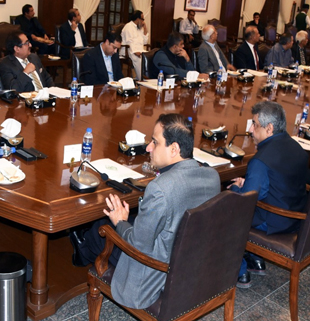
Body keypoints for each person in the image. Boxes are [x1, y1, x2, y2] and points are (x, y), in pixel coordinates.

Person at [69, 114, 221, 309]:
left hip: (154, 274)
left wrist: (120, 221)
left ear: (174, 149)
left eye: (155, 142)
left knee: (102, 225)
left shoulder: (161, 188)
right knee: (129, 217)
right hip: (190, 265)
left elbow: (138, 245)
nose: (148, 147)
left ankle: (81, 250)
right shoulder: (212, 176)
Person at [228, 101, 308, 287]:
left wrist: (235, 189)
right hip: (295, 216)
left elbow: (247, 200)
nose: (250, 129)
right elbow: (278, 181)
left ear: (269, 128)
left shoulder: (260, 161)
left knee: (228, 207)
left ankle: (239, 272)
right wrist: (250, 183)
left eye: (254, 124)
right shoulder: (296, 147)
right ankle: (256, 259)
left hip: (274, 221)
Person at [121, 10, 149, 80]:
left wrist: (145, 28)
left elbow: (145, 41)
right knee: (139, 60)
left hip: (139, 50)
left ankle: (146, 78)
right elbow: (129, 42)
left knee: (149, 58)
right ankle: (142, 80)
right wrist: (135, 52)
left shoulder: (139, 28)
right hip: (128, 50)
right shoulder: (128, 27)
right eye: (142, 19)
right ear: (137, 19)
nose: (143, 21)